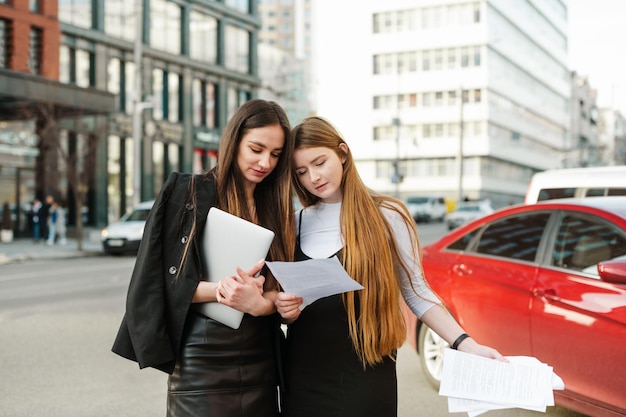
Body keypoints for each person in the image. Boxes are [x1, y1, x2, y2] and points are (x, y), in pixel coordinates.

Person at [275, 116, 505, 417]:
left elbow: (417, 290)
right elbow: (280, 299)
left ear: (342, 154)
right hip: (304, 374)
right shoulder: (294, 222)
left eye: (320, 162)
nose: (313, 177)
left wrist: (464, 343)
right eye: (302, 172)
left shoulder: (387, 215)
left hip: (367, 371)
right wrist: (283, 307)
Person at [112, 99, 295, 417]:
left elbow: (279, 292)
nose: (265, 162)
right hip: (201, 359)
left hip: (261, 360)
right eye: (256, 148)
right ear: (234, 141)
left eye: (276, 155)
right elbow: (156, 285)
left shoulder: (278, 210)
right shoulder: (187, 193)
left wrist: (263, 304)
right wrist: (224, 290)